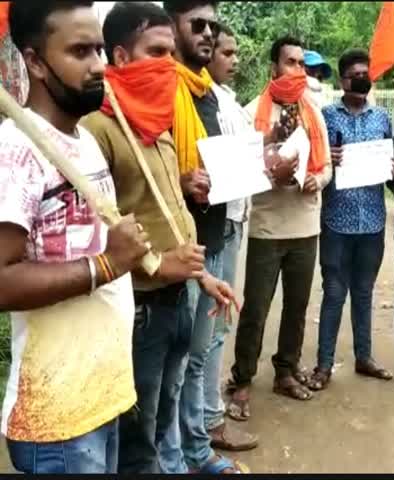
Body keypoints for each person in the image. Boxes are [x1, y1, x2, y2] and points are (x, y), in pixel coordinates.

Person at [80, 3, 245, 473]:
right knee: (138, 427)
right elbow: (94, 237)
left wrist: (203, 279)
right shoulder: (99, 129)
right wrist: (155, 265)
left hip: (182, 294)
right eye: (157, 52)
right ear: (120, 56)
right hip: (141, 305)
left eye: (171, 53)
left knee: (167, 405)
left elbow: (171, 215)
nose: (169, 65)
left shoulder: (155, 124)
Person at [0, 1, 148, 474]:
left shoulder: (82, 141)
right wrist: (105, 265)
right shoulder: (17, 151)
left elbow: (104, 251)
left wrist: (162, 264)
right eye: (80, 51)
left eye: (99, 49)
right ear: (36, 61)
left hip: (101, 395)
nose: (99, 65)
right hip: (57, 419)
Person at [161, 0, 251, 473]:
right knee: (174, 367)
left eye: (213, 26)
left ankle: (195, 450)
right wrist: (181, 181)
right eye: (198, 24)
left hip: (213, 239)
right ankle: (177, 458)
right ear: (170, 24)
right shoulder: (160, 90)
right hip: (176, 251)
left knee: (197, 357)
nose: (209, 35)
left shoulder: (209, 94)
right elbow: (151, 170)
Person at [228, 35, 332, 419]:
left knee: (297, 306)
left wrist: (315, 181)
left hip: (306, 225)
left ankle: (285, 372)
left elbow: (327, 168)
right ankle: (241, 380)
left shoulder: (313, 111)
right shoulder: (251, 112)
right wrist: (272, 175)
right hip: (267, 227)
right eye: (290, 62)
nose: (298, 70)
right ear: (274, 68)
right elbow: (238, 171)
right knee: (256, 308)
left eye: (302, 64)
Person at [306, 48, 394, 391]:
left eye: (365, 72)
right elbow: (313, 163)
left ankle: (364, 357)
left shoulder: (381, 119)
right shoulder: (325, 118)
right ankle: (324, 365)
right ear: (343, 80)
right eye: (354, 74)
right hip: (335, 223)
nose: (361, 78)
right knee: (333, 294)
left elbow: (391, 171)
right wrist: (325, 156)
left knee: (363, 293)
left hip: (372, 223)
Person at [204, 21, 259, 453]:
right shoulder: (202, 100)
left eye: (235, 53)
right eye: (227, 52)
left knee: (218, 323)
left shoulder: (228, 101)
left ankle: (205, 419)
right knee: (208, 329)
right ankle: (206, 423)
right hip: (216, 223)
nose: (234, 60)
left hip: (234, 218)